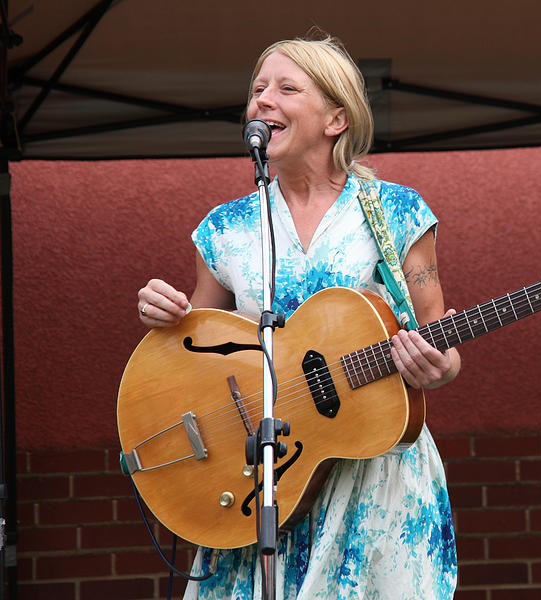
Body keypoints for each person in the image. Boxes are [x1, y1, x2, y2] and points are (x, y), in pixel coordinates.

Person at [136, 34, 460, 600]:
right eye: (258, 88)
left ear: (336, 118)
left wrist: (438, 366)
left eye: (287, 88)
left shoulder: (398, 213)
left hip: (372, 477)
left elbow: (440, 341)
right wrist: (164, 313)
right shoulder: (226, 228)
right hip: (258, 477)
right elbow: (197, 338)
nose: (262, 100)